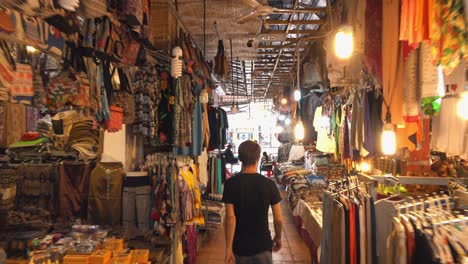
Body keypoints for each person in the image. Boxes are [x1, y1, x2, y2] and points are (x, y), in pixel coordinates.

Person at [222, 140, 283, 264]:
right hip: (263, 246)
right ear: (258, 158)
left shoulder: (230, 184)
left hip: (240, 247)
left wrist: (228, 249)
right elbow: (278, 219)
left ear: (239, 158)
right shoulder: (269, 184)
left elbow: (230, 218)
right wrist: (278, 237)